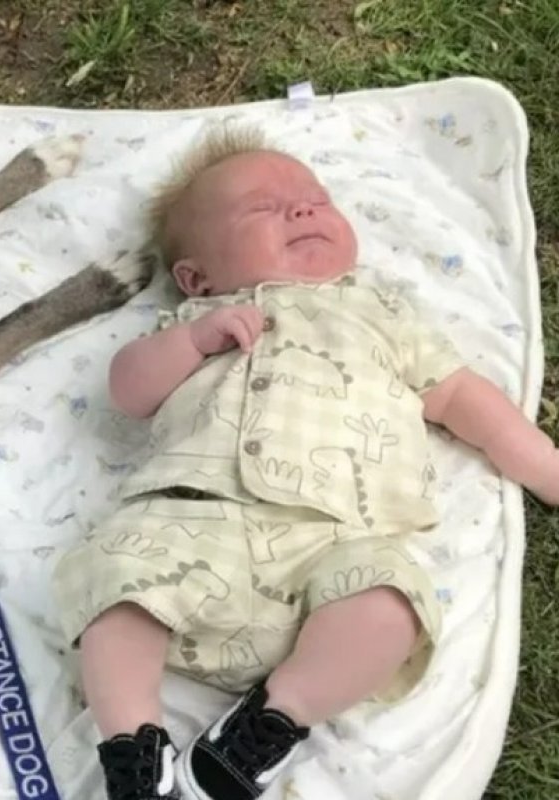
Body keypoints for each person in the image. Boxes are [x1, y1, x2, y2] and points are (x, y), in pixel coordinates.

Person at [52, 125, 559, 800]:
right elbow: (129, 389)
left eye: (315, 199)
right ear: (195, 275)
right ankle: (133, 749)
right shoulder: (200, 318)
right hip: (188, 525)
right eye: (263, 208)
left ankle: (268, 722)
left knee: (391, 606)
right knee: (112, 587)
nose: (301, 210)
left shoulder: (379, 311)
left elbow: (465, 397)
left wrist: (547, 469)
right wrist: (194, 342)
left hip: (338, 539)